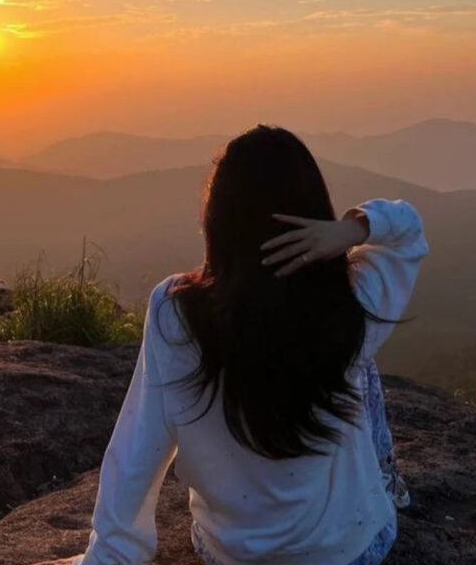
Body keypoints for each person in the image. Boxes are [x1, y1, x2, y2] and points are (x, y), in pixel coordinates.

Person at [71, 124, 429, 565]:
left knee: (353, 359)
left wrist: (110, 553)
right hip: (347, 551)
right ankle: (384, 484)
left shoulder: (175, 313)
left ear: (218, 219)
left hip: (231, 553)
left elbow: (137, 448)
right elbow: (409, 233)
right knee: (358, 364)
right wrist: (351, 229)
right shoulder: (350, 303)